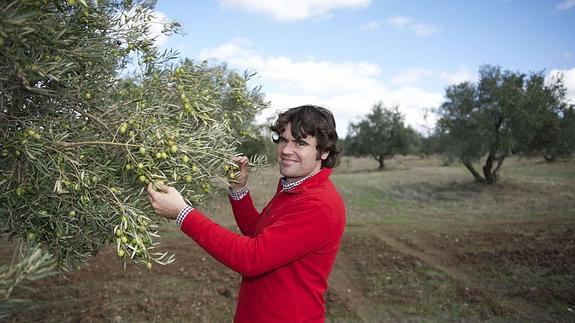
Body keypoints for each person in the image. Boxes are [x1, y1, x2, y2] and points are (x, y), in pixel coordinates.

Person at [147, 105, 346, 322]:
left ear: (324, 151)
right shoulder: (296, 188)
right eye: (283, 140)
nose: (286, 150)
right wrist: (239, 189)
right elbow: (258, 232)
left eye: (300, 143)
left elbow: (252, 258)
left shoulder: (318, 205)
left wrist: (182, 214)